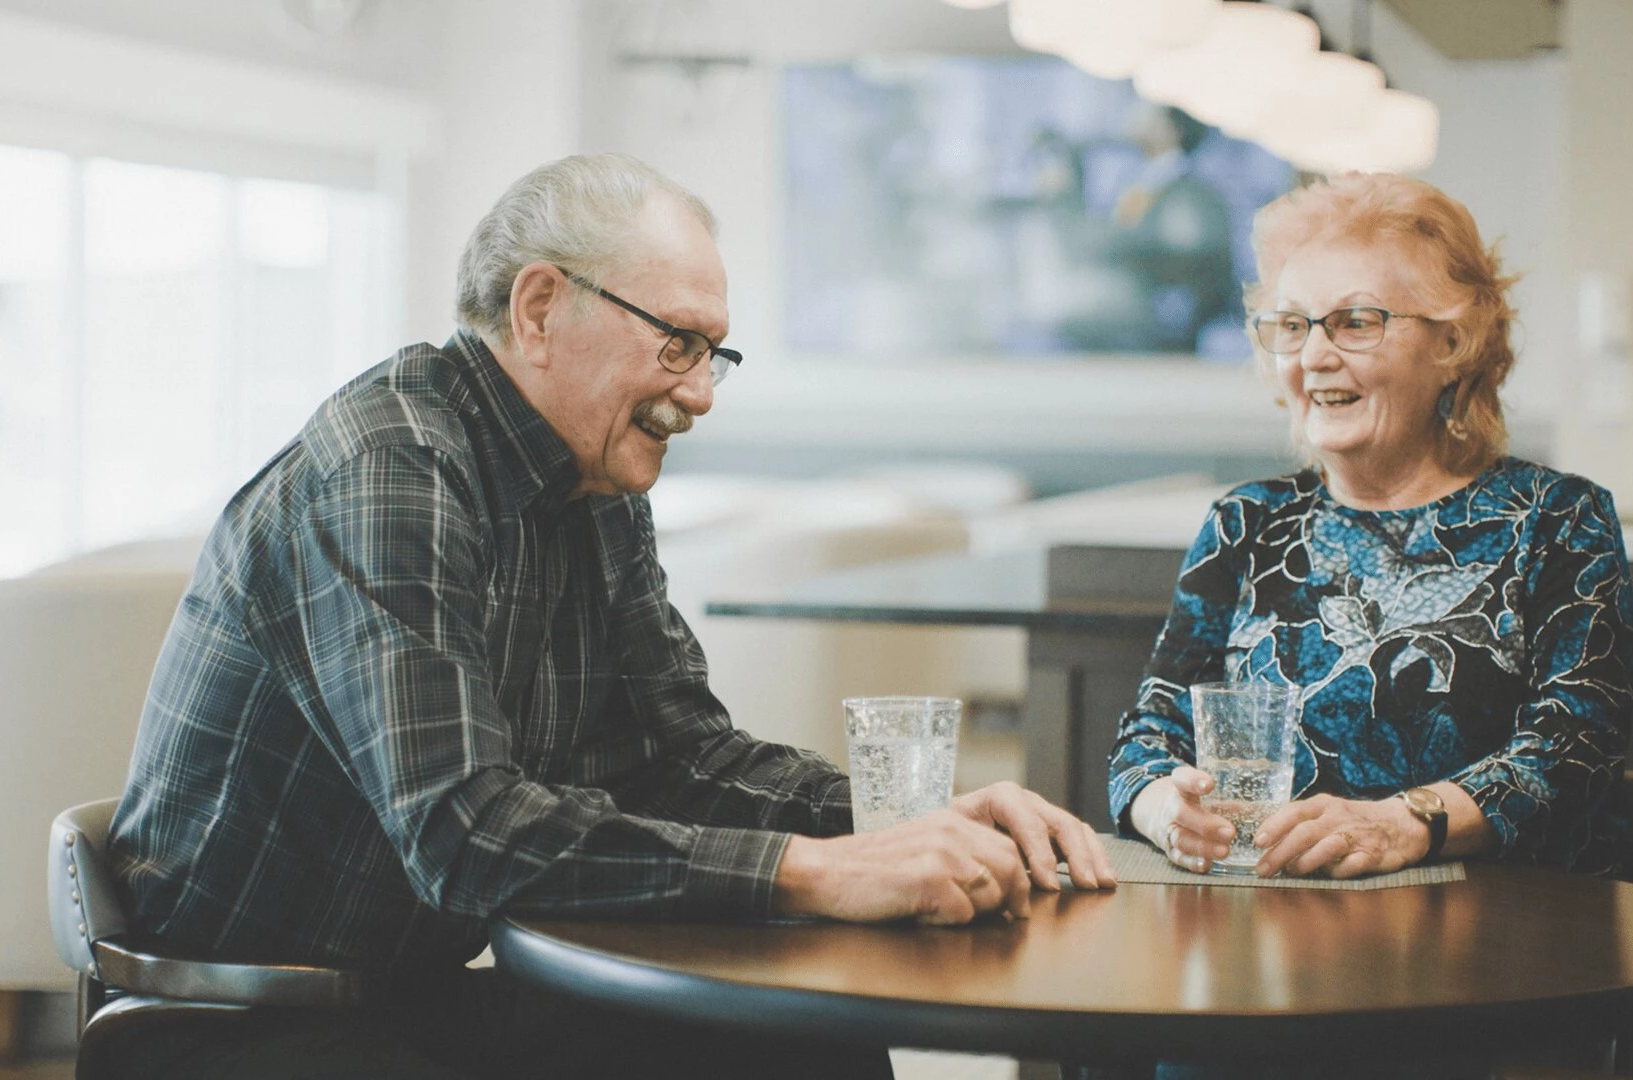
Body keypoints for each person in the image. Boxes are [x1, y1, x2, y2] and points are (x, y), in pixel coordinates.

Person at [105, 153, 1114, 1080]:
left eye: (715, 354)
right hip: (236, 1018)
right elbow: (466, 831)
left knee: (810, 1043)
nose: (702, 394)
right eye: (679, 342)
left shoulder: (598, 488)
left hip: (409, 996)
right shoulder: (392, 465)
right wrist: (817, 873)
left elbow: (682, 754)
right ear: (540, 307)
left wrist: (904, 825)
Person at [1108, 171, 1633, 884]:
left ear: (1453, 344)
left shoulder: (1558, 520)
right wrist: (1165, 808)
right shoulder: (1247, 524)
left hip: (1501, 936)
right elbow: (1146, 742)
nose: (1315, 355)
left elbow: (1576, 750)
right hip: (1270, 936)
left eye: (1356, 322)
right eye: (1292, 326)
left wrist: (1405, 822)